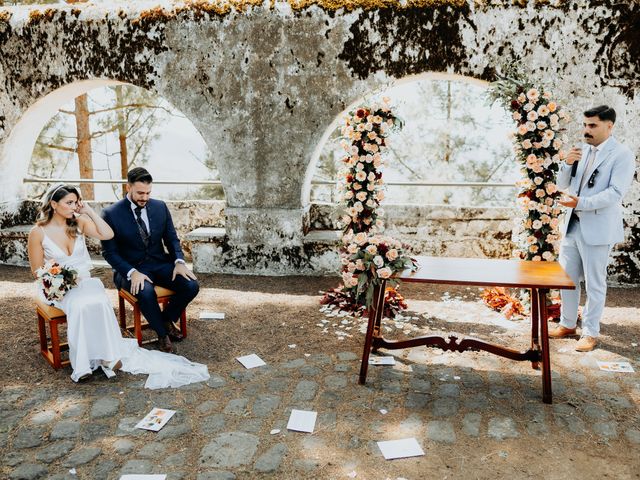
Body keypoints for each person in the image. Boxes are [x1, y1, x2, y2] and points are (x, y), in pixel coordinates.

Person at [28, 184, 209, 387]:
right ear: (53, 204)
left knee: (99, 300)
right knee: (80, 306)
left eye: (75, 202)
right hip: (58, 288)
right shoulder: (38, 232)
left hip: (86, 281)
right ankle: (83, 364)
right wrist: (61, 280)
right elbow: (37, 271)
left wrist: (87, 211)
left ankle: (108, 355)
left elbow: (107, 234)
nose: (73, 206)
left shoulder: (78, 223)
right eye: (69, 203)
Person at [550, 105, 635, 352]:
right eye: (585, 125)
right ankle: (567, 323)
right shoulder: (582, 150)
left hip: (598, 227)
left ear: (609, 126)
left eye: (593, 125)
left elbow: (615, 193)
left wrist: (581, 203)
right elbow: (562, 184)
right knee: (567, 279)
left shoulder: (621, 154)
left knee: (595, 283)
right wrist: (566, 164)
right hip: (572, 225)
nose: (586, 130)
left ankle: (590, 331)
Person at [101, 167, 199, 353]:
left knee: (191, 285)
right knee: (146, 293)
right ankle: (162, 334)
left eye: (148, 193)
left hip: (159, 263)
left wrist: (179, 262)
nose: (144, 197)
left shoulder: (160, 207)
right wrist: (132, 272)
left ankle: (165, 318)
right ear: (128, 187)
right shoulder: (110, 214)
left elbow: (171, 239)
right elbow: (110, 253)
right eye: (140, 193)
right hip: (129, 269)